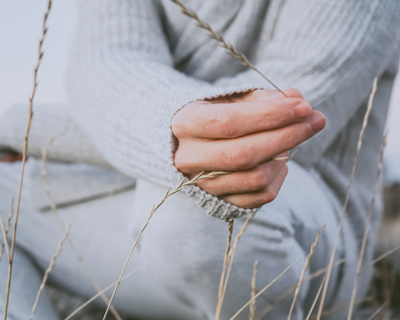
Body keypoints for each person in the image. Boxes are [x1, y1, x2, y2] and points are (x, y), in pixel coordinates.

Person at [1, 0, 399, 319]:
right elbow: (106, 63)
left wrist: (20, 127)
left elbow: (271, 133)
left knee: (212, 193)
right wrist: (171, 134)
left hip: (307, 232)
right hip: (134, 209)